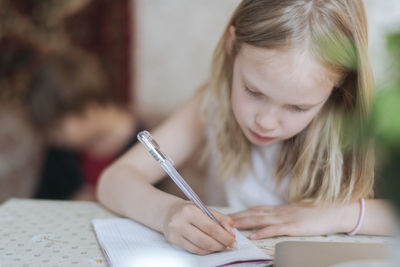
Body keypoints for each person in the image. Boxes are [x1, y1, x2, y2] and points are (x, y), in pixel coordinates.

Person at [97, 0, 397, 255]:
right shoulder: (211, 104)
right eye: (254, 91)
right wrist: (165, 212)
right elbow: (113, 180)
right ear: (232, 45)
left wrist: (338, 216)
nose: (266, 121)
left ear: (339, 86)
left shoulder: (368, 126)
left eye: (297, 107)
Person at [27, 49, 142, 201]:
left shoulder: (142, 144)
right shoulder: (61, 152)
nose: (54, 138)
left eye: (58, 129)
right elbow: (42, 200)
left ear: (90, 110)